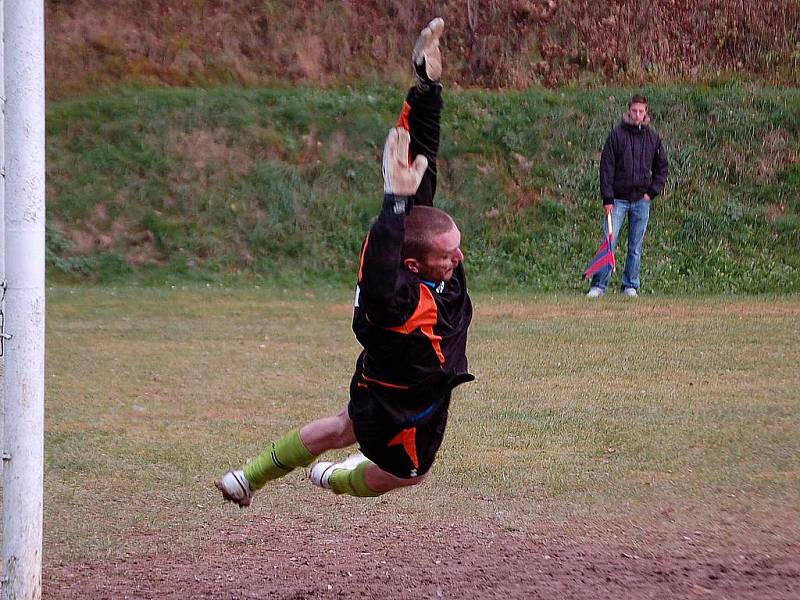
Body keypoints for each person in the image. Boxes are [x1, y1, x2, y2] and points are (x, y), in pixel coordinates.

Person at [215, 18, 474, 506]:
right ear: (415, 267)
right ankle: (333, 479)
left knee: (340, 426)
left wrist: (428, 90)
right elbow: (380, 280)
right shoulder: (395, 299)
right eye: (448, 255)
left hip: (382, 383)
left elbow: (421, 160)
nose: (458, 258)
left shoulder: (411, 244)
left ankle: (247, 477)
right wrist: (393, 203)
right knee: (407, 474)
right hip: (405, 408)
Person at [587, 94, 669, 298]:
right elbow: (606, 167)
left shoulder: (653, 138)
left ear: (646, 113)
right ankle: (599, 285)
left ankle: (630, 284)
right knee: (609, 242)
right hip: (617, 200)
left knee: (635, 246)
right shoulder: (616, 135)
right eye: (634, 111)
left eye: (641, 111)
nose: (638, 114)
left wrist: (652, 193)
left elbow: (662, 168)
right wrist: (607, 198)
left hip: (642, 200)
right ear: (628, 111)